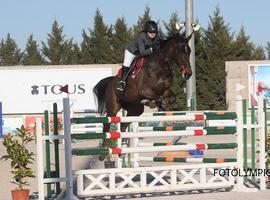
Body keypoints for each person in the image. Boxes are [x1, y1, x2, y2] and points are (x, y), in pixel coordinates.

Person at [116, 20, 166, 94]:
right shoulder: (141, 37)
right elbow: (142, 52)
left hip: (146, 52)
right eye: (150, 32)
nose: (153, 34)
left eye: (154, 32)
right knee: (127, 65)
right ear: (146, 32)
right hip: (132, 52)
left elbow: (164, 41)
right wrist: (152, 49)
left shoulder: (158, 35)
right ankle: (122, 82)